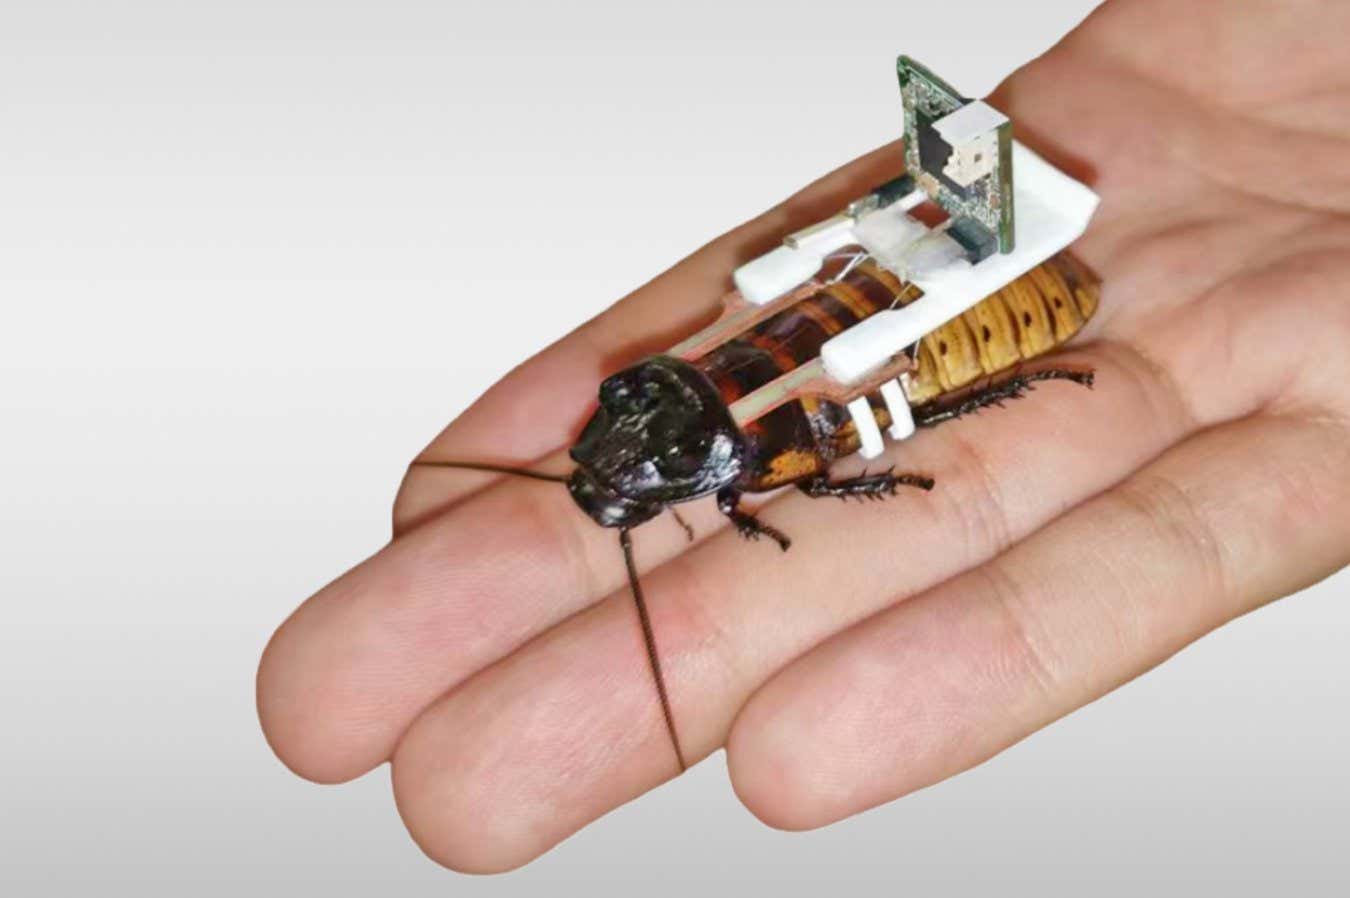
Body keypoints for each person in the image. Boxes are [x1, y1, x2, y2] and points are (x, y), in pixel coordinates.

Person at [256, 0, 1350, 874]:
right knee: (869, 424)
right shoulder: (703, 416)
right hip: (923, 323)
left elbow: (826, 454)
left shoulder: (724, 461)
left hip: (954, 316)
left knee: (866, 432)